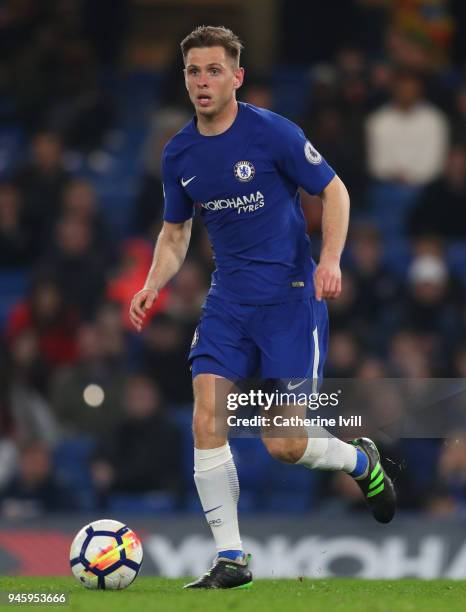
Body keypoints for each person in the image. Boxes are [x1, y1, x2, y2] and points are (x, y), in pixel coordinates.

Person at [129, 26, 396, 590]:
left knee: (285, 445)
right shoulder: (179, 152)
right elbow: (175, 233)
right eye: (193, 71)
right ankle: (232, 558)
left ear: (237, 77)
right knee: (207, 415)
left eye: (213, 71)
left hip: (290, 301)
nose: (202, 82)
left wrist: (331, 259)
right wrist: (153, 281)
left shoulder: (273, 133)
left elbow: (336, 191)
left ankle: (360, 463)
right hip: (228, 301)